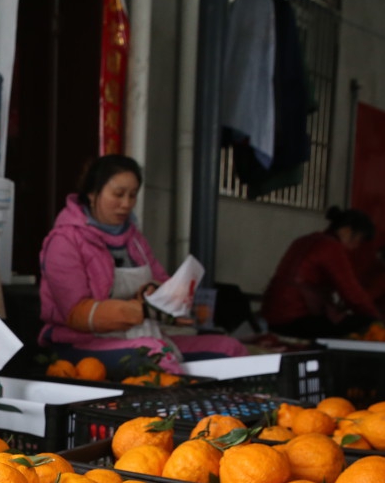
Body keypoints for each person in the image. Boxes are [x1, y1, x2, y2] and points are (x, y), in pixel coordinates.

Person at [37, 155, 245, 375]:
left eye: (132, 195)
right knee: (157, 356)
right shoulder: (64, 241)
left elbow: (161, 280)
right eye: (118, 194)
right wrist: (141, 310)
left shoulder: (134, 240)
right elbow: (76, 313)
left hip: (142, 335)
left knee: (230, 348)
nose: (126, 204)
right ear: (91, 193)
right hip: (79, 342)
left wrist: (166, 297)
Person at [259, 207, 380, 338]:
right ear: (346, 231)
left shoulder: (304, 240)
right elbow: (352, 293)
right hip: (296, 318)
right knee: (367, 325)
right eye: (358, 240)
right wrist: (377, 321)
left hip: (272, 315)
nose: (356, 247)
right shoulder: (331, 247)